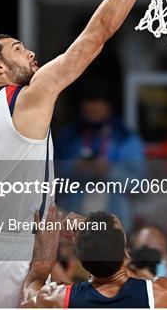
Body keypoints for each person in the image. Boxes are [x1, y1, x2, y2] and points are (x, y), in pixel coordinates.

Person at [0, 0, 167, 309]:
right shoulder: (27, 97)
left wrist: (60, 218)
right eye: (17, 49)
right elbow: (96, 36)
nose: (29, 53)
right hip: (9, 257)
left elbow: (15, 198)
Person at [20, 206, 167, 308]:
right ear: (126, 253)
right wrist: (92, 229)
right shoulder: (162, 294)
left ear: (82, 263)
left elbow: (29, 295)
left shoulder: (59, 299)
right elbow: (116, 225)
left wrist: (44, 262)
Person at [55, 93, 145, 232]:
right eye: (89, 110)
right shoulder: (69, 137)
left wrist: (110, 170)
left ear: (109, 108)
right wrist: (74, 168)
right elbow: (51, 179)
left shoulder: (125, 138)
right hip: (74, 223)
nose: (93, 115)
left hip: (116, 221)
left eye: (97, 109)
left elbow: (140, 183)